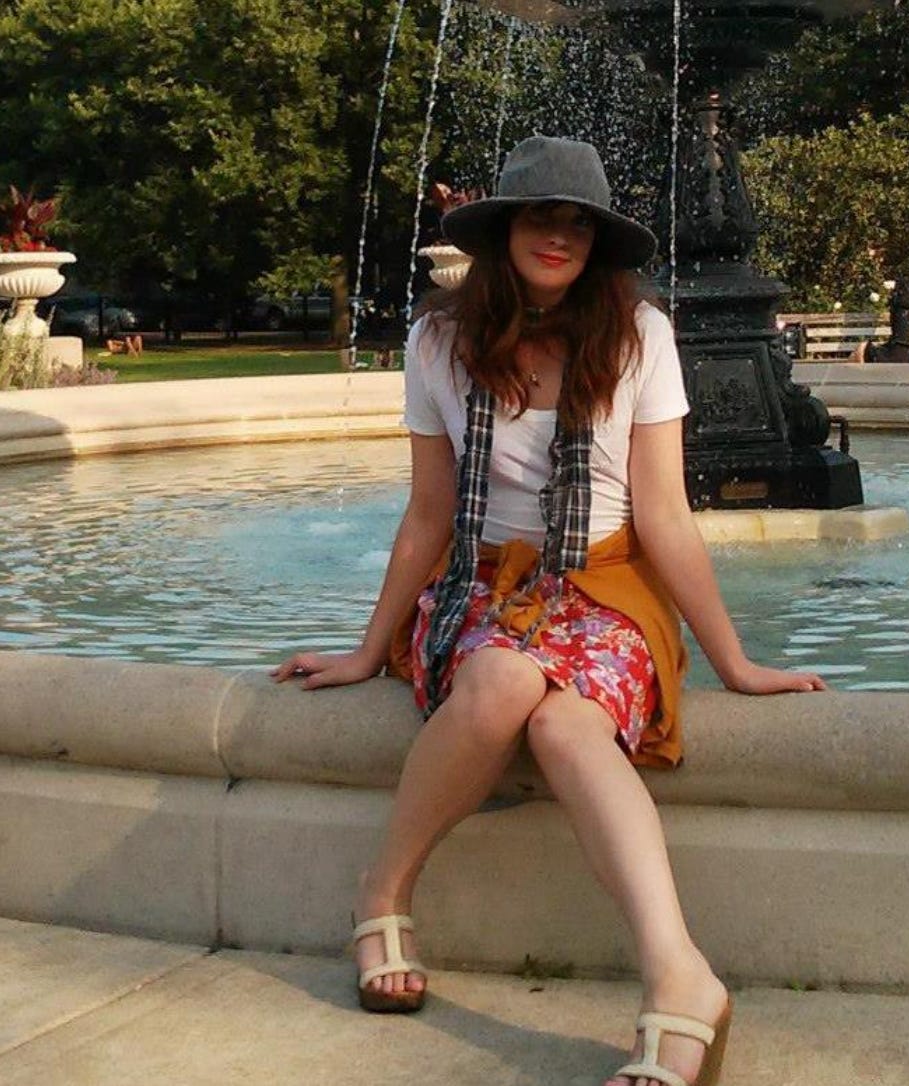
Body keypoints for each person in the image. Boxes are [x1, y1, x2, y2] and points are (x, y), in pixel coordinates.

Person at [272, 136, 824, 1086]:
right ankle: (384, 891)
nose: (559, 236)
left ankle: (679, 975)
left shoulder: (639, 335)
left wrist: (733, 661)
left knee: (568, 725)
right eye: (540, 217)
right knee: (501, 680)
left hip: (606, 583)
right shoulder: (438, 341)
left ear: (599, 241)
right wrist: (368, 650)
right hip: (484, 583)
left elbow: (663, 515)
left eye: (579, 223)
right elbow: (429, 513)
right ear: (504, 230)